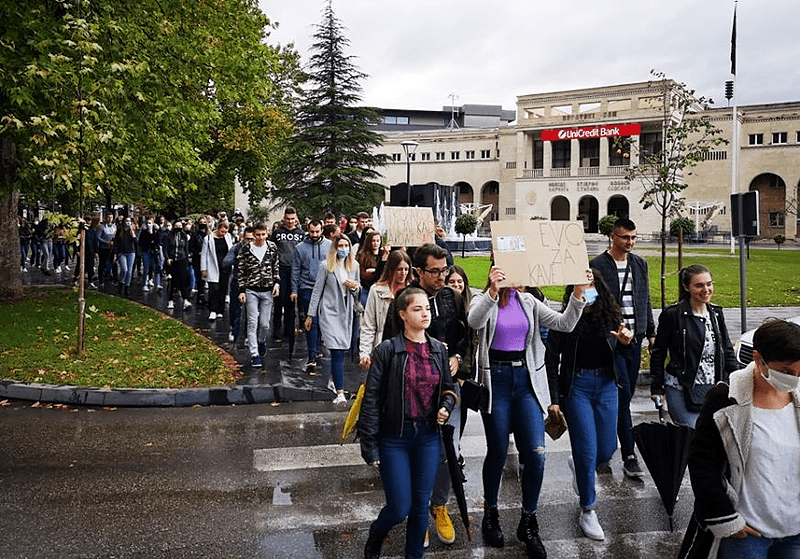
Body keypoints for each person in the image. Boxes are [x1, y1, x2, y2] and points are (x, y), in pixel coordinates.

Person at [468, 264, 590, 558]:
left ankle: (528, 520)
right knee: (497, 451)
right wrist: (493, 292)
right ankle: (491, 512)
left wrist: (577, 294)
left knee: (536, 453)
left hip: (526, 383)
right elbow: (474, 322)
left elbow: (565, 324)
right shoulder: (482, 298)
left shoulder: (530, 302)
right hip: (495, 381)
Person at [679, 319, 800, 559]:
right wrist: (728, 521)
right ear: (758, 359)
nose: (793, 379)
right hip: (747, 537)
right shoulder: (725, 401)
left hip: (795, 534)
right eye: (786, 371)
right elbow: (702, 464)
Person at [358, 286, 458, 559]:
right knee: (400, 507)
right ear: (402, 314)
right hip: (394, 439)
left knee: (420, 507)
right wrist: (369, 446)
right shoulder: (387, 351)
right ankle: (377, 534)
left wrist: (446, 407)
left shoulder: (438, 349)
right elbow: (372, 399)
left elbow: (450, 389)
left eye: (427, 308)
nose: (425, 313)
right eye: (417, 309)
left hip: (427, 436)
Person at [382, 243, 469, 546]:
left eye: (445, 269)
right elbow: (389, 343)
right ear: (419, 271)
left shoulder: (453, 298)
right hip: (412, 389)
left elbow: (464, 337)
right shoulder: (404, 299)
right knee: (416, 449)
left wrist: (457, 356)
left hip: (446, 386)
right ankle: (418, 514)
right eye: (435, 271)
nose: (442, 275)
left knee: (450, 450)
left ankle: (439, 505)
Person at [545, 272, 632, 541]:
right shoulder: (565, 321)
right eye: (581, 285)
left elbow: (624, 354)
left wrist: (627, 343)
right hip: (577, 387)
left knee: (606, 450)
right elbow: (551, 360)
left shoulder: (610, 316)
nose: (587, 289)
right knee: (586, 448)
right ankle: (588, 509)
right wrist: (555, 399)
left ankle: (581, 465)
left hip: (606, 385)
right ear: (573, 290)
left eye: (591, 284)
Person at [589, 217, 654, 479]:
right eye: (626, 237)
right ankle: (628, 454)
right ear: (613, 237)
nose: (631, 242)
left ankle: (604, 448)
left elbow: (644, 298)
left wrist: (650, 332)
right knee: (621, 396)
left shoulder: (639, 264)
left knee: (621, 399)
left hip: (633, 341)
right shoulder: (597, 265)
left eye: (634, 237)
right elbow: (591, 300)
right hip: (609, 341)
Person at [649, 265, 738, 428]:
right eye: (699, 285)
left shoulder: (716, 314)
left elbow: (727, 351)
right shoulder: (672, 316)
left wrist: (739, 380)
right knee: (691, 433)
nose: (706, 289)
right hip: (681, 388)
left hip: (712, 389)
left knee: (711, 438)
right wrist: (656, 388)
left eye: (709, 284)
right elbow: (658, 353)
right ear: (686, 287)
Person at [305, 234, 360, 404]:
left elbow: (357, 291)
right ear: (334, 248)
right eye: (340, 246)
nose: (343, 249)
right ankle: (341, 393)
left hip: (346, 313)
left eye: (346, 245)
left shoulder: (354, 266)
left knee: (342, 350)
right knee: (336, 352)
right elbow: (317, 291)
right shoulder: (326, 267)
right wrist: (310, 315)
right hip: (329, 313)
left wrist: (355, 287)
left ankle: (333, 380)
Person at [359, 250, 412, 370]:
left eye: (406, 269)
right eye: (399, 269)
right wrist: (365, 353)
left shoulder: (413, 291)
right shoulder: (376, 290)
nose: (403, 273)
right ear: (391, 269)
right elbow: (369, 325)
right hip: (383, 348)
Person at [237, 222, 280, 368]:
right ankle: (254, 354)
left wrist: (277, 283)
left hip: (267, 289)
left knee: (265, 323)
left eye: (263, 234)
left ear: (267, 233)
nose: (261, 237)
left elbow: (275, 266)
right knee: (252, 321)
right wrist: (241, 290)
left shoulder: (272, 247)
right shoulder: (246, 249)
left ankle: (261, 340)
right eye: (258, 235)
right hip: (251, 289)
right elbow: (241, 270)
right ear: (253, 235)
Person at [291, 220, 331, 370]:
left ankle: (317, 349)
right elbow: (295, 269)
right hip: (306, 287)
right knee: (311, 320)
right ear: (307, 230)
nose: (314, 235)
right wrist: (294, 290)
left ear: (322, 230)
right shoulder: (300, 248)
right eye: (312, 231)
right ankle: (312, 355)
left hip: (325, 287)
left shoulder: (329, 245)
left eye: (317, 231)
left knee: (322, 321)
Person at [271, 207, 304, 342]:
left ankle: (289, 330)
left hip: (295, 270)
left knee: (292, 301)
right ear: (284, 219)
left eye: (292, 219)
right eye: (288, 219)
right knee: (279, 300)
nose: (290, 221)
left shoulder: (301, 234)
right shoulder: (277, 233)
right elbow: (271, 249)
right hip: (281, 269)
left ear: (296, 219)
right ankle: (277, 330)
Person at [201, 220, 234, 322]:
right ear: (218, 228)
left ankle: (220, 310)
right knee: (213, 289)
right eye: (222, 231)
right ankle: (213, 310)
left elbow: (231, 250)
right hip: (213, 266)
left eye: (225, 231)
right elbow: (204, 254)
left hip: (225, 267)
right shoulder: (208, 239)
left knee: (223, 288)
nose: (223, 233)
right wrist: (203, 268)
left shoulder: (228, 237)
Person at [164, 220, 192, 310]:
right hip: (172, 261)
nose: (178, 227)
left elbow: (186, 249)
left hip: (182, 260)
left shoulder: (184, 236)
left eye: (180, 226)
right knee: (173, 281)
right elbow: (165, 248)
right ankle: (170, 300)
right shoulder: (168, 236)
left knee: (183, 280)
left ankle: (185, 300)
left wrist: (187, 260)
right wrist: (167, 258)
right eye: (177, 226)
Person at [357, 230, 389, 307]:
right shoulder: (363, 255)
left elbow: (386, 273)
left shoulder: (384, 254)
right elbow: (363, 275)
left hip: (381, 287)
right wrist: (376, 273)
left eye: (377, 241)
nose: (375, 243)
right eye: (373, 241)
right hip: (366, 287)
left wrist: (373, 271)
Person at [114, 217, 137, 297]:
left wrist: (132, 232)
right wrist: (115, 253)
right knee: (124, 269)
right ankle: (121, 283)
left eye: (129, 221)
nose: (128, 222)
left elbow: (135, 241)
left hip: (131, 252)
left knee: (129, 271)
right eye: (126, 221)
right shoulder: (120, 231)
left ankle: (127, 287)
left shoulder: (132, 231)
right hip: (122, 253)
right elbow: (116, 243)